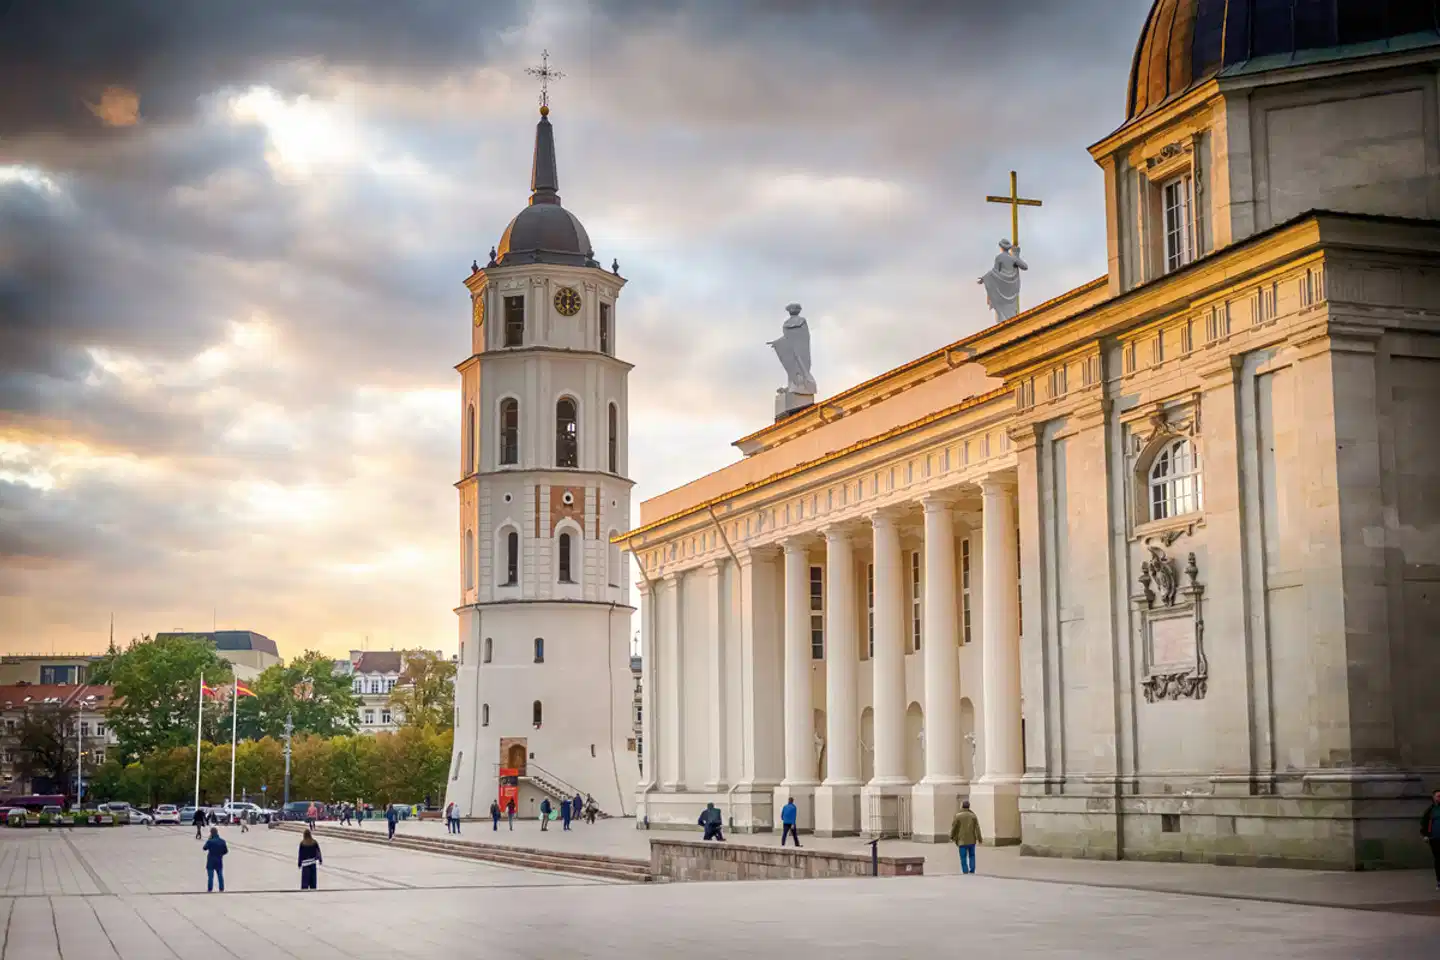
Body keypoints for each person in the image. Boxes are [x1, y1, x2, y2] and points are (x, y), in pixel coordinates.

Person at [949, 800, 983, 875]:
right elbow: (977, 828)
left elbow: (954, 827)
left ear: (962, 806)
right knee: (972, 855)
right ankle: (972, 869)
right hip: (972, 840)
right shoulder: (973, 816)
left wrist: (951, 836)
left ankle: (965, 870)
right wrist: (979, 839)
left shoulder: (958, 816)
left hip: (962, 840)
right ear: (969, 806)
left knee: (963, 856)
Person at [1422, 789, 1440, 890]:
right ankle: (1439, 881)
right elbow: (1424, 823)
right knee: (1438, 860)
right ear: (1433, 798)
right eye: (1438, 796)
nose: (1439, 798)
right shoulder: (1430, 810)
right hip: (1435, 839)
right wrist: (1425, 835)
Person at [202, 827, 228, 892]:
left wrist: (209, 839)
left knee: (210, 876)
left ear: (211, 833)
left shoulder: (210, 841)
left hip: (211, 860)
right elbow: (226, 851)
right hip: (219, 859)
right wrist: (221, 854)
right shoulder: (222, 841)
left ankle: (210, 889)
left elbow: (204, 848)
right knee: (220, 875)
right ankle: (221, 888)